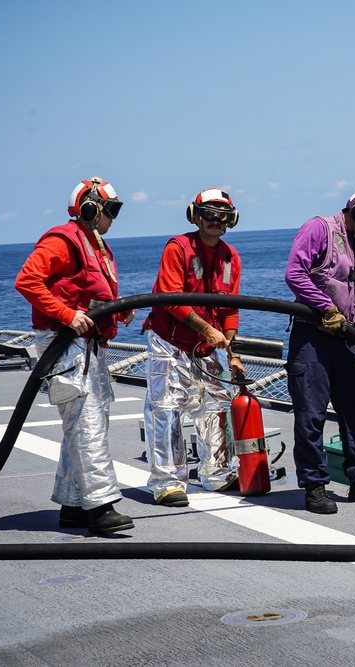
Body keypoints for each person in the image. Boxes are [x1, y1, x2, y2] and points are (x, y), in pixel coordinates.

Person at [14, 176, 135, 535]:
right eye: (110, 210)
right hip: (65, 344)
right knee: (87, 424)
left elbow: (87, 293)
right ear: (90, 208)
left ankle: (72, 504)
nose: (113, 218)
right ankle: (99, 506)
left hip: (87, 347)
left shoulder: (93, 245)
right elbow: (28, 281)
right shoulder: (63, 241)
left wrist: (116, 311)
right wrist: (67, 316)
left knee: (85, 425)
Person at [285, 186, 355, 513]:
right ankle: (315, 486)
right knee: (311, 415)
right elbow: (295, 273)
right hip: (313, 338)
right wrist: (325, 308)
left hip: (350, 340)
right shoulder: (319, 229)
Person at [141, 188, 244, 507]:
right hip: (170, 341)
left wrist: (232, 353)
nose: (215, 221)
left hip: (208, 344)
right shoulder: (178, 248)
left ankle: (219, 474)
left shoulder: (231, 257)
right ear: (196, 216)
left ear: (231, 220)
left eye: (222, 215)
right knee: (168, 409)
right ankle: (168, 483)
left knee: (217, 406)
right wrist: (207, 329)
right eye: (209, 214)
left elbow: (231, 309)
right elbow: (171, 299)